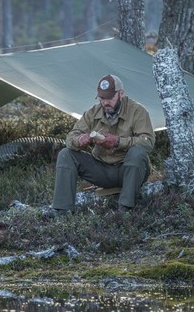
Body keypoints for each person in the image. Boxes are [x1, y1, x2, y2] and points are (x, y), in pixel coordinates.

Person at [47, 74, 155, 216]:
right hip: (102, 169)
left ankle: (125, 209)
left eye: (110, 98)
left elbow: (148, 143)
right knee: (66, 154)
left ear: (121, 94)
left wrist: (118, 142)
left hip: (128, 170)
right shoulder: (92, 112)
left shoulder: (138, 111)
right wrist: (80, 140)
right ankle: (62, 209)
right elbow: (70, 138)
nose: (105, 102)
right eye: (102, 98)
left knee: (137, 153)